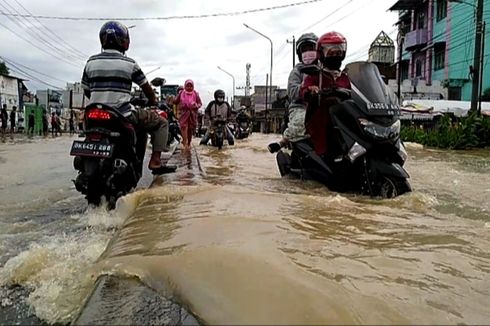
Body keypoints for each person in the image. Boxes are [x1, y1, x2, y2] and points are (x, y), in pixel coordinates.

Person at [81, 20, 174, 174]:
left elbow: (86, 90)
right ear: (124, 41)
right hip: (123, 113)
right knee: (162, 123)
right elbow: (148, 89)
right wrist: (153, 102)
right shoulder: (130, 64)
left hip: (92, 115)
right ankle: (156, 162)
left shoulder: (91, 62)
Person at [299, 31, 351, 157]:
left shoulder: (346, 76)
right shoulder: (316, 74)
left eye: (339, 53)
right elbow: (304, 90)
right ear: (322, 54)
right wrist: (311, 90)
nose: (335, 56)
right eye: (332, 53)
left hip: (346, 118)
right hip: (323, 118)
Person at [268, 32, 318, 153]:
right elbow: (292, 91)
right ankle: (284, 141)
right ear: (300, 54)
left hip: (323, 105)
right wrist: (305, 89)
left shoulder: (326, 68)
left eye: (311, 48)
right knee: (301, 122)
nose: (308, 52)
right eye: (304, 49)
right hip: (301, 107)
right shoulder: (297, 71)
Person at [173, 79, 202, 151]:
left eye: (191, 86)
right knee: (183, 127)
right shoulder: (181, 93)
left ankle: (189, 143)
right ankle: (185, 143)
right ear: (185, 86)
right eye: (187, 86)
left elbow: (200, 103)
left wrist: (196, 106)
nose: (189, 88)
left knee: (190, 129)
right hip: (183, 113)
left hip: (192, 114)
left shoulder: (195, 94)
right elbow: (176, 101)